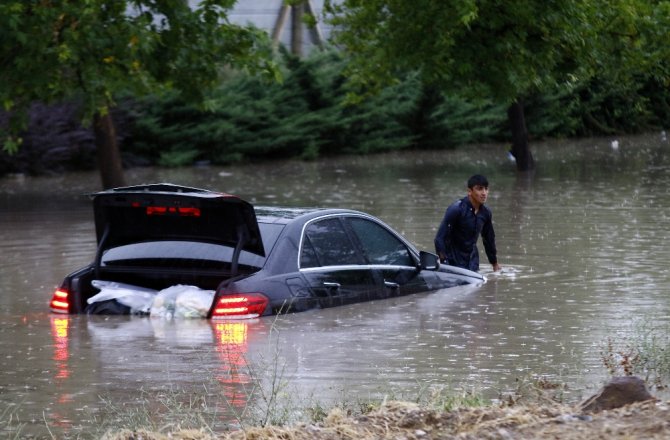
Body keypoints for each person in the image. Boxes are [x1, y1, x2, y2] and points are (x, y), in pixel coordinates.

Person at [434, 174, 501, 272]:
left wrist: (494, 263)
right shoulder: (456, 209)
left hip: (472, 263)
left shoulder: (486, 213)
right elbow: (439, 239)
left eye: (486, 189)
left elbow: (488, 239)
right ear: (469, 191)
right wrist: (444, 264)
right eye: (480, 189)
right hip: (453, 262)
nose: (484, 193)